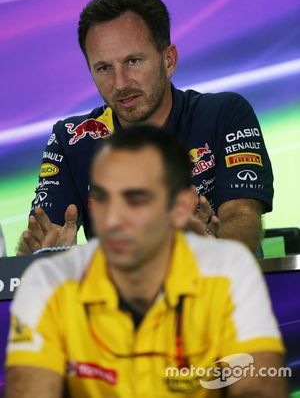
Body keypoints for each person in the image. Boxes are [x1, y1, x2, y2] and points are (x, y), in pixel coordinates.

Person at [6, 126, 286, 398]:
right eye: (102, 198)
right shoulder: (47, 283)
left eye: (135, 199)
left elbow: (258, 387)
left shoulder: (229, 271)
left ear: (181, 207)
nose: (113, 219)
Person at [18, 0, 273, 256]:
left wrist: (213, 250)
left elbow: (242, 217)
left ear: (169, 59)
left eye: (133, 61)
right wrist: (39, 255)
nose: (120, 84)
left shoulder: (224, 114)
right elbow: (42, 239)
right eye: (104, 68)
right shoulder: (71, 139)